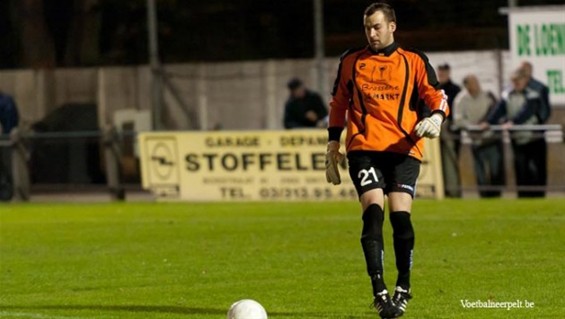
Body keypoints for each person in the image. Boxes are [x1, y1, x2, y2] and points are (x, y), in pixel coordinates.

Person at [325, 3, 449, 318]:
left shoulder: (414, 61)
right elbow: (339, 102)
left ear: (392, 26)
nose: (372, 33)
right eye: (367, 27)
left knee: (401, 219)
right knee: (373, 214)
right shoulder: (352, 60)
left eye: (377, 27)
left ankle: (403, 288)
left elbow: (437, 96)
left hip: (404, 149)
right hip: (364, 147)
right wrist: (332, 145)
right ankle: (380, 291)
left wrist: (436, 117)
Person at [484, 68, 547, 198]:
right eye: (514, 81)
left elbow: (527, 111)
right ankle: (523, 195)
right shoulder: (508, 94)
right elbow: (499, 109)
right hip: (517, 137)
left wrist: (514, 122)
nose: (516, 84)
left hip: (533, 136)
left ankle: (538, 195)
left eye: (518, 81)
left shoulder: (532, 94)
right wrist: (488, 122)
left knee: (535, 168)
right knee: (520, 167)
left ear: (525, 80)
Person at [452, 75, 504, 197]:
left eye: (476, 82)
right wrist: (472, 126)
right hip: (475, 140)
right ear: (467, 86)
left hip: (491, 137)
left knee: (495, 169)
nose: (476, 85)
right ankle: (484, 195)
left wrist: (487, 124)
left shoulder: (488, 95)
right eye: (472, 83)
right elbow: (458, 120)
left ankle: (496, 195)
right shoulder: (461, 100)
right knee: (479, 171)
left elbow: (497, 112)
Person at [437, 63, 462, 197]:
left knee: (450, 159)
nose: (442, 75)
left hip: (448, 127)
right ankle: (443, 189)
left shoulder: (455, 89)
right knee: (439, 160)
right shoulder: (435, 88)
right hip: (437, 125)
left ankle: (453, 190)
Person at [0, 90, 19, 201]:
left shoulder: (6, 101)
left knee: (7, 167)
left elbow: (13, 119)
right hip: (6, 139)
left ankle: (6, 193)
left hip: (6, 140)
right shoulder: (7, 101)